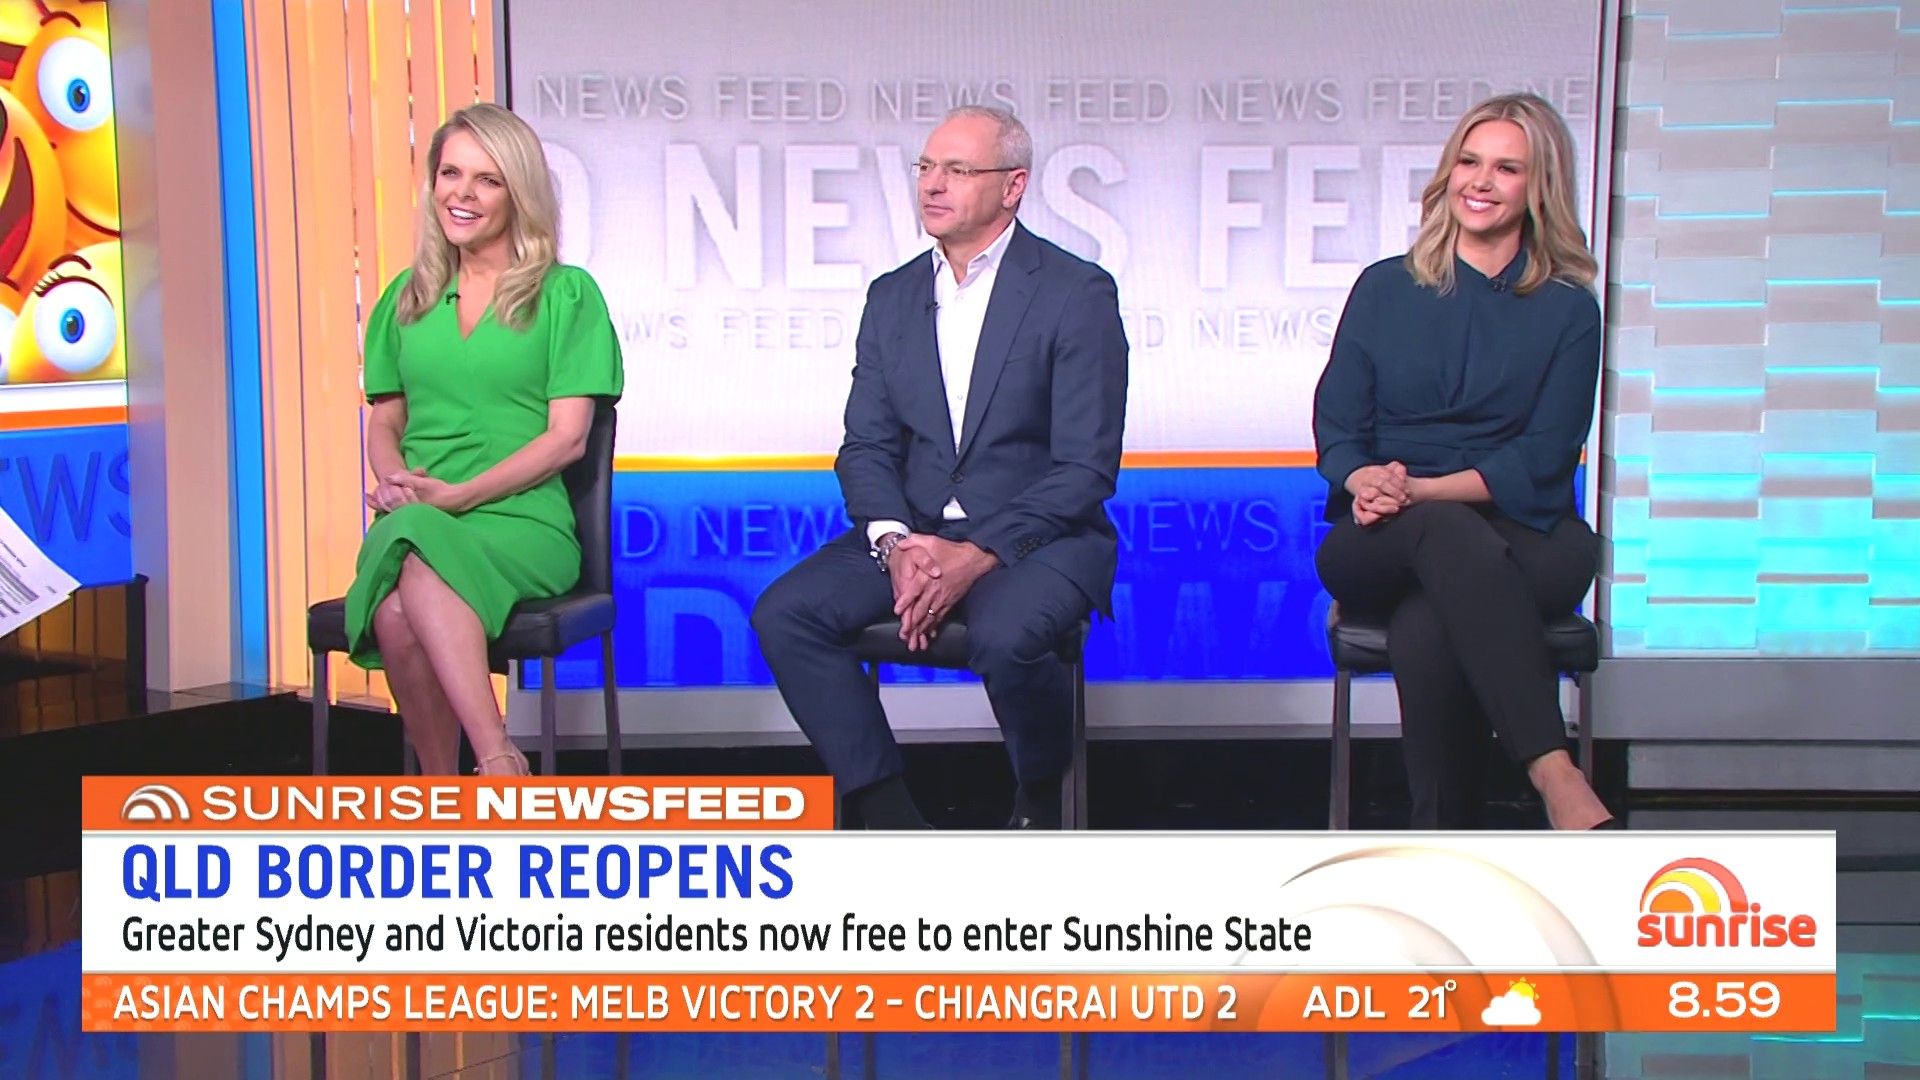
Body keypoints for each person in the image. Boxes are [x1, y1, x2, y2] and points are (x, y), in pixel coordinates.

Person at [752, 105, 1129, 830]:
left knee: (1007, 637)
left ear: (1013, 186)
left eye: (957, 169)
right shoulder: (892, 296)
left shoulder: (1075, 292)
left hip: (1037, 538)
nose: (932, 184)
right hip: (918, 531)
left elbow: (1085, 468)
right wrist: (896, 543)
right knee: (786, 613)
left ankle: (1040, 799)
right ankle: (892, 819)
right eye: (926, 166)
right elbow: (865, 446)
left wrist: (978, 553)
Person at [1311, 92, 1613, 831]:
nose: (1480, 181)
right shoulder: (1385, 287)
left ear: (1539, 186)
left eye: (1506, 168)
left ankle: (1442, 845)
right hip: (1382, 533)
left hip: (1525, 530)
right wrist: (1367, 480)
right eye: (1469, 162)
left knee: (1431, 616)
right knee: (1445, 541)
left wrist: (1422, 490)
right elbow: (1338, 427)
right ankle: (1553, 771)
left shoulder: (1569, 310)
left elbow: (1544, 456)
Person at [343, 103, 623, 776]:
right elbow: (386, 419)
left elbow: (567, 440)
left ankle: (490, 763)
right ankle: (461, 790)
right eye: (451, 174)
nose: (462, 194)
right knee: (401, 597)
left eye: (487, 179)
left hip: (521, 522)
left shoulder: (565, 296)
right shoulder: (405, 298)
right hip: (420, 515)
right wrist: (393, 479)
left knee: (411, 572)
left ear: (517, 193)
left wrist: (458, 496)